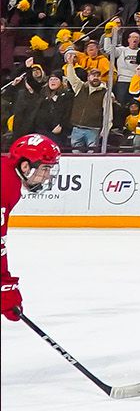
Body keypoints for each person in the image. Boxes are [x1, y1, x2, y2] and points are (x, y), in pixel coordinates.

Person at [2, 133, 63, 324]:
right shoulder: (5, 186)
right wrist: (5, 287)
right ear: (25, 165)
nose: (47, 176)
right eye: (45, 168)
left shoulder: (7, 173)